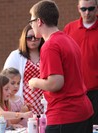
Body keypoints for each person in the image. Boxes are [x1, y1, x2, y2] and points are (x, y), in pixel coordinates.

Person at [28, 0, 93, 133]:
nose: (31, 25)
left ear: (39, 21)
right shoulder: (68, 40)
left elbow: (55, 83)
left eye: (32, 21)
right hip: (83, 112)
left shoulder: (50, 45)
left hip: (65, 115)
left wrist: (34, 81)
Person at [64, 0, 98, 125]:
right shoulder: (69, 28)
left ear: (97, 8)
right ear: (78, 8)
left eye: (91, 9)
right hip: (75, 92)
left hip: (96, 91)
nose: (87, 12)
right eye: (84, 9)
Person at [4, 24, 44, 115]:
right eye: (29, 37)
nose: (33, 40)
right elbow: (5, 79)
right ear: (24, 38)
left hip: (42, 99)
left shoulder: (46, 54)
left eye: (36, 37)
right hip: (23, 100)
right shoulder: (15, 55)